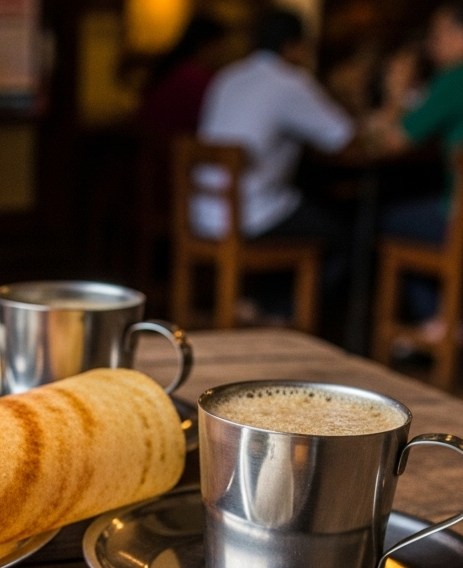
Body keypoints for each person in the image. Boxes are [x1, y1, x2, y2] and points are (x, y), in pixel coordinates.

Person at [193, 8, 355, 298]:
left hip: (202, 213)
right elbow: (342, 136)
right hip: (248, 216)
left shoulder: (227, 77)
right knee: (347, 235)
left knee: (300, 212)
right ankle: (278, 312)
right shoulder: (289, 82)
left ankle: (256, 304)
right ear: (294, 46)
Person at [370, 2, 463, 326]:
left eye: (438, 34)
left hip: (458, 220)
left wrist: (395, 92)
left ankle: (438, 321)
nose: (431, 43)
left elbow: (394, 141)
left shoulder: (456, 76)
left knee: (387, 219)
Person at [138, 15, 227, 139]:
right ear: (206, 45)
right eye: (221, 47)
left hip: (152, 150)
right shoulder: (195, 78)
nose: (224, 53)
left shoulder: (172, 69)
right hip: (176, 151)